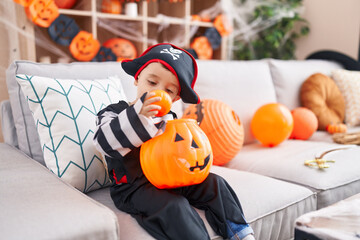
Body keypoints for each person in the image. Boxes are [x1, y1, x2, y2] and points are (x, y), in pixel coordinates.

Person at [93, 43, 255, 240]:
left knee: (215, 183)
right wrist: (139, 116)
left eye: (168, 91)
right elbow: (103, 142)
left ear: (176, 97)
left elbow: (178, 151)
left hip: (171, 178)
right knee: (174, 206)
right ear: (137, 79)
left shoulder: (170, 118)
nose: (158, 92)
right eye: (152, 83)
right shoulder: (114, 112)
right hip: (133, 187)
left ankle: (240, 233)